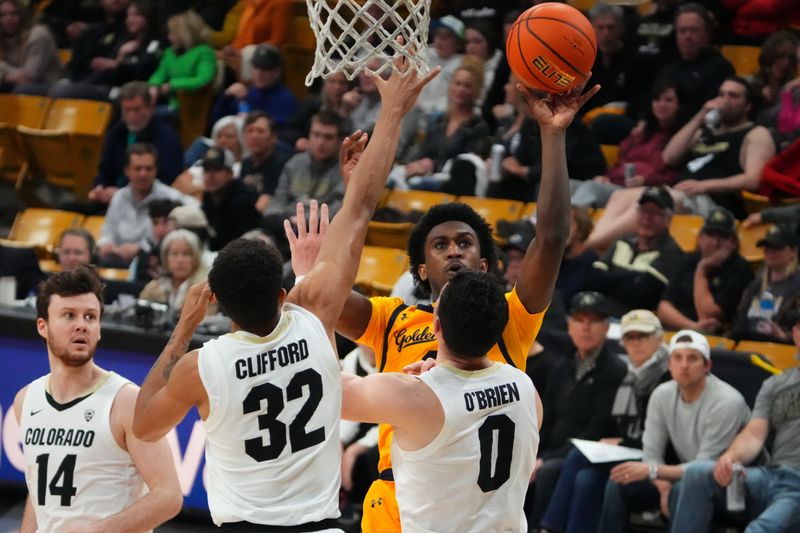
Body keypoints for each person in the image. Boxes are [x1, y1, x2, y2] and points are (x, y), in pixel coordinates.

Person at [130, 52, 440, 529]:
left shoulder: (202, 365)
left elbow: (144, 426)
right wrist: (393, 110)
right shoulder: (312, 316)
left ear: (217, 303)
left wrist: (183, 329)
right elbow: (359, 207)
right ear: (282, 294)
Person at [292, 73, 601, 533]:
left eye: (465, 243)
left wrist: (553, 136)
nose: (454, 250)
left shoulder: (510, 316)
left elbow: (552, 237)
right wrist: (353, 195)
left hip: (456, 497)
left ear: (486, 264)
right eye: (440, 245)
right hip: (395, 497)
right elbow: (329, 296)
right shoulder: (392, 317)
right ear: (420, 270)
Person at [342, 270, 542, 532]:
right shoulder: (526, 389)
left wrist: (304, 279)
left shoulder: (415, 397)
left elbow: (325, 387)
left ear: (436, 325)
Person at [13, 266, 181, 532]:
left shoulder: (126, 401)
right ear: (42, 327)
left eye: (90, 316)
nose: (82, 324)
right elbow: (38, 492)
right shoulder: (26, 400)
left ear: (99, 328)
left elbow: (169, 495)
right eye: (69, 315)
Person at [587, 76, 776, 249]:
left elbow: (754, 179)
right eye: (721, 94)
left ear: (748, 105)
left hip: (715, 201)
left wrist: (703, 185)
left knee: (650, 203)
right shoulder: (706, 131)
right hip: (682, 193)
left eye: (733, 96)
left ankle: (588, 247)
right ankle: (591, 243)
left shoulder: (756, 134)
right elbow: (669, 157)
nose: (724, 100)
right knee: (620, 196)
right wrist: (701, 116)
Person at [598, 330, 750, 532]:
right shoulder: (662, 394)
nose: (684, 365)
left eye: (692, 358)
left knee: (682, 490)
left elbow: (703, 467)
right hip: (683, 475)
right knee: (619, 482)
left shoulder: (726, 402)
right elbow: (652, 453)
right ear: (669, 365)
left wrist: (655, 472)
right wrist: (662, 487)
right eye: (678, 358)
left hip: (730, 482)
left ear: (707, 366)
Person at [538, 309, 670, 533]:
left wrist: (620, 444)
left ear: (659, 339)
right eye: (630, 337)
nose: (636, 343)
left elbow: (660, 440)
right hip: (629, 451)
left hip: (656, 458)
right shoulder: (630, 376)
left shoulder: (665, 378)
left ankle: (548, 528)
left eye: (643, 336)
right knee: (586, 479)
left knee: (577, 456)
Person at [669, 316, 800, 532]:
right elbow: (754, 435)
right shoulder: (776, 383)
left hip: (797, 487)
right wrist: (730, 457)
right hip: (770, 475)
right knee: (697, 475)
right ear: (795, 333)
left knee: (759, 530)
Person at [528, 291, 628, 525]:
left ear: (606, 328)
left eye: (593, 321)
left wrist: (545, 458)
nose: (586, 327)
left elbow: (597, 429)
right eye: (580, 320)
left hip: (584, 454)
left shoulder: (615, 371)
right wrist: (533, 453)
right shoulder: (562, 366)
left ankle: (542, 529)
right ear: (569, 325)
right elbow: (546, 417)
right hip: (551, 450)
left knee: (549, 471)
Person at [583, 186, 685, 317]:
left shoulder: (672, 252)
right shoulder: (623, 240)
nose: (647, 218)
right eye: (644, 211)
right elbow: (592, 280)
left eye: (655, 213)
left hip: (636, 321)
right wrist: (634, 276)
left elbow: (641, 296)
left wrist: (610, 279)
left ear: (668, 219)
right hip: (601, 315)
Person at [97, 143, 196, 267]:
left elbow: (196, 212)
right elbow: (107, 232)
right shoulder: (119, 197)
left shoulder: (170, 198)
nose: (143, 174)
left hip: (155, 262)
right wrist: (107, 244)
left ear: (156, 170)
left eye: (148, 169)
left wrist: (140, 248)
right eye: (138, 168)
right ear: (127, 170)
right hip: (117, 259)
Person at [657, 207, 754, 333]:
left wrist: (702, 270)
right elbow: (663, 308)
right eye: (710, 235)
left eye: (723, 237)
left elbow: (708, 316)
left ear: (733, 243)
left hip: (715, 338)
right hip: (680, 329)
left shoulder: (739, 269)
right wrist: (692, 326)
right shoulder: (687, 260)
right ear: (700, 238)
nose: (715, 243)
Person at [90, 81, 183, 207]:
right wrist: (98, 188)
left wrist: (122, 193)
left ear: (150, 108)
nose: (131, 116)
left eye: (137, 110)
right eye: (127, 110)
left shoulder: (167, 138)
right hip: (109, 199)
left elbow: (167, 179)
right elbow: (104, 169)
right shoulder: (116, 132)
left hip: (148, 203)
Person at [730, 222, 800, 343]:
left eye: (778, 247)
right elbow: (740, 322)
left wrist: (783, 337)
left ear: (793, 251)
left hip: (782, 349)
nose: (770, 252)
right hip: (747, 346)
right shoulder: (756, 284)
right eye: (767, 247)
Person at [211, 44, 298, 129]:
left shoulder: (286, 99)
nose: (259, 73)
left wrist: (249, 120)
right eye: (256, 67)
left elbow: (278, 133)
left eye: (265, 69)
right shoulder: (247, 91)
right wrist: (226, 96)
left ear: (277, 72)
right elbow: (217, 121)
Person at [147, 10, 216, 116]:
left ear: (183, 34)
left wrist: (173, 85)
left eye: (172, 33)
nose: (168, 37)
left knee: (149, 116)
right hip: (170, 106)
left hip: (191, 108)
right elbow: (160, 74)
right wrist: (154, 86)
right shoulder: (170, 52)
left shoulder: (204, 52)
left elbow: (203, 79)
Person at [199, 146, 261, 251]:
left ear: (230, 174)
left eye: (217, 169)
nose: (210, 176)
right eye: (206, 170)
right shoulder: (208, 195)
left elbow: (242, 245)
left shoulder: (243, 201)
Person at [139, 228, 209, 312]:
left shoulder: (205, 291)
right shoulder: (153, 288)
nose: (180, 260)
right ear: (165, 258)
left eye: (186, 254)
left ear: (196, 259)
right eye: (174, 254)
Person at [0, 0, 61, 90]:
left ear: (23, 16)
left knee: (22, 88)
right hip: (13, 83)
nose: (8, 19)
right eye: (2, 15)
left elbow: (28, 78)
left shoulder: (38, 35)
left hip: (47, 85)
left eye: (14, 14)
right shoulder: (4, 37)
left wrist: (2, 71)